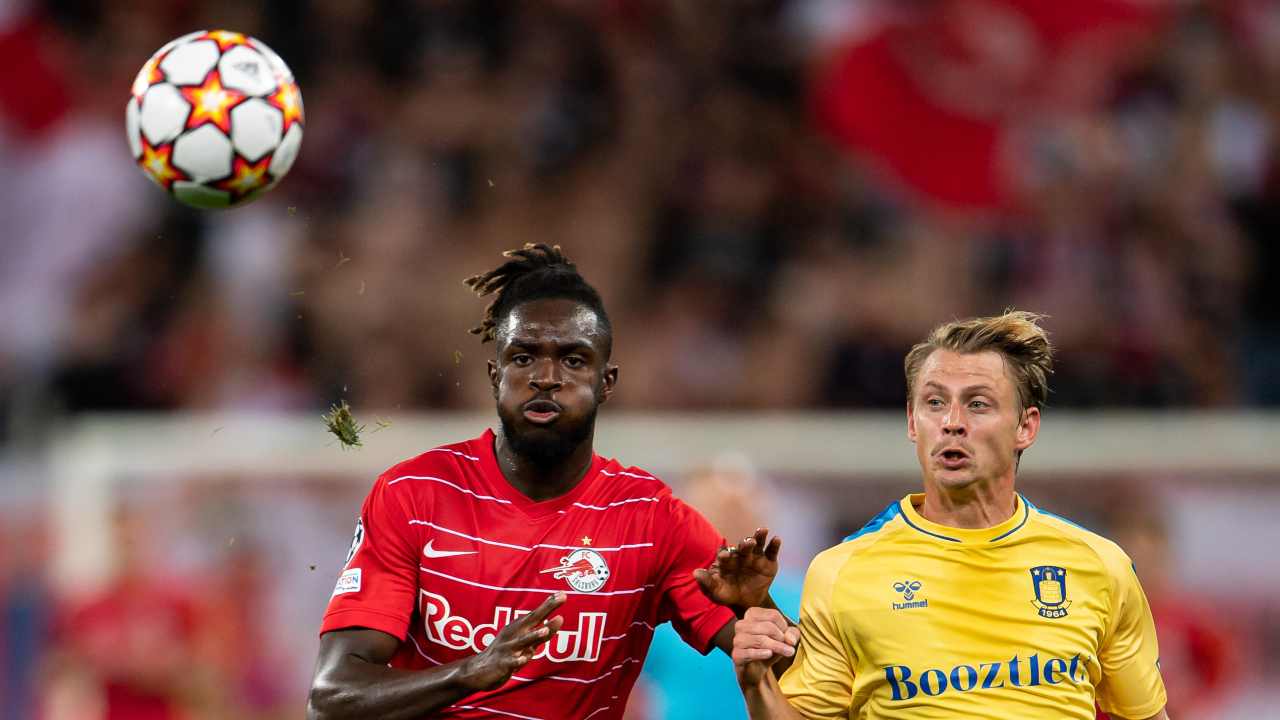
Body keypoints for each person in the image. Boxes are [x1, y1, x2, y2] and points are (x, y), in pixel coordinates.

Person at [306, 244, 781, 720]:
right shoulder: (414, 494)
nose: (546, 378)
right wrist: (470, 672)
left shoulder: (652, 519)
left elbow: (806, 674)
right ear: (495, 375)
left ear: (606, 381)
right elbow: (332, 698)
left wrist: (757, 607)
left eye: (573, 360)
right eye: (524, 358)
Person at [730, 311, 1170, 720]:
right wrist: (756, 686)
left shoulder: (1099, 566)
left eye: (978, 404)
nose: (952, 422)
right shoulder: (842, 572)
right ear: (911, 422)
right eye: (935, 403)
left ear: (1026, 426)